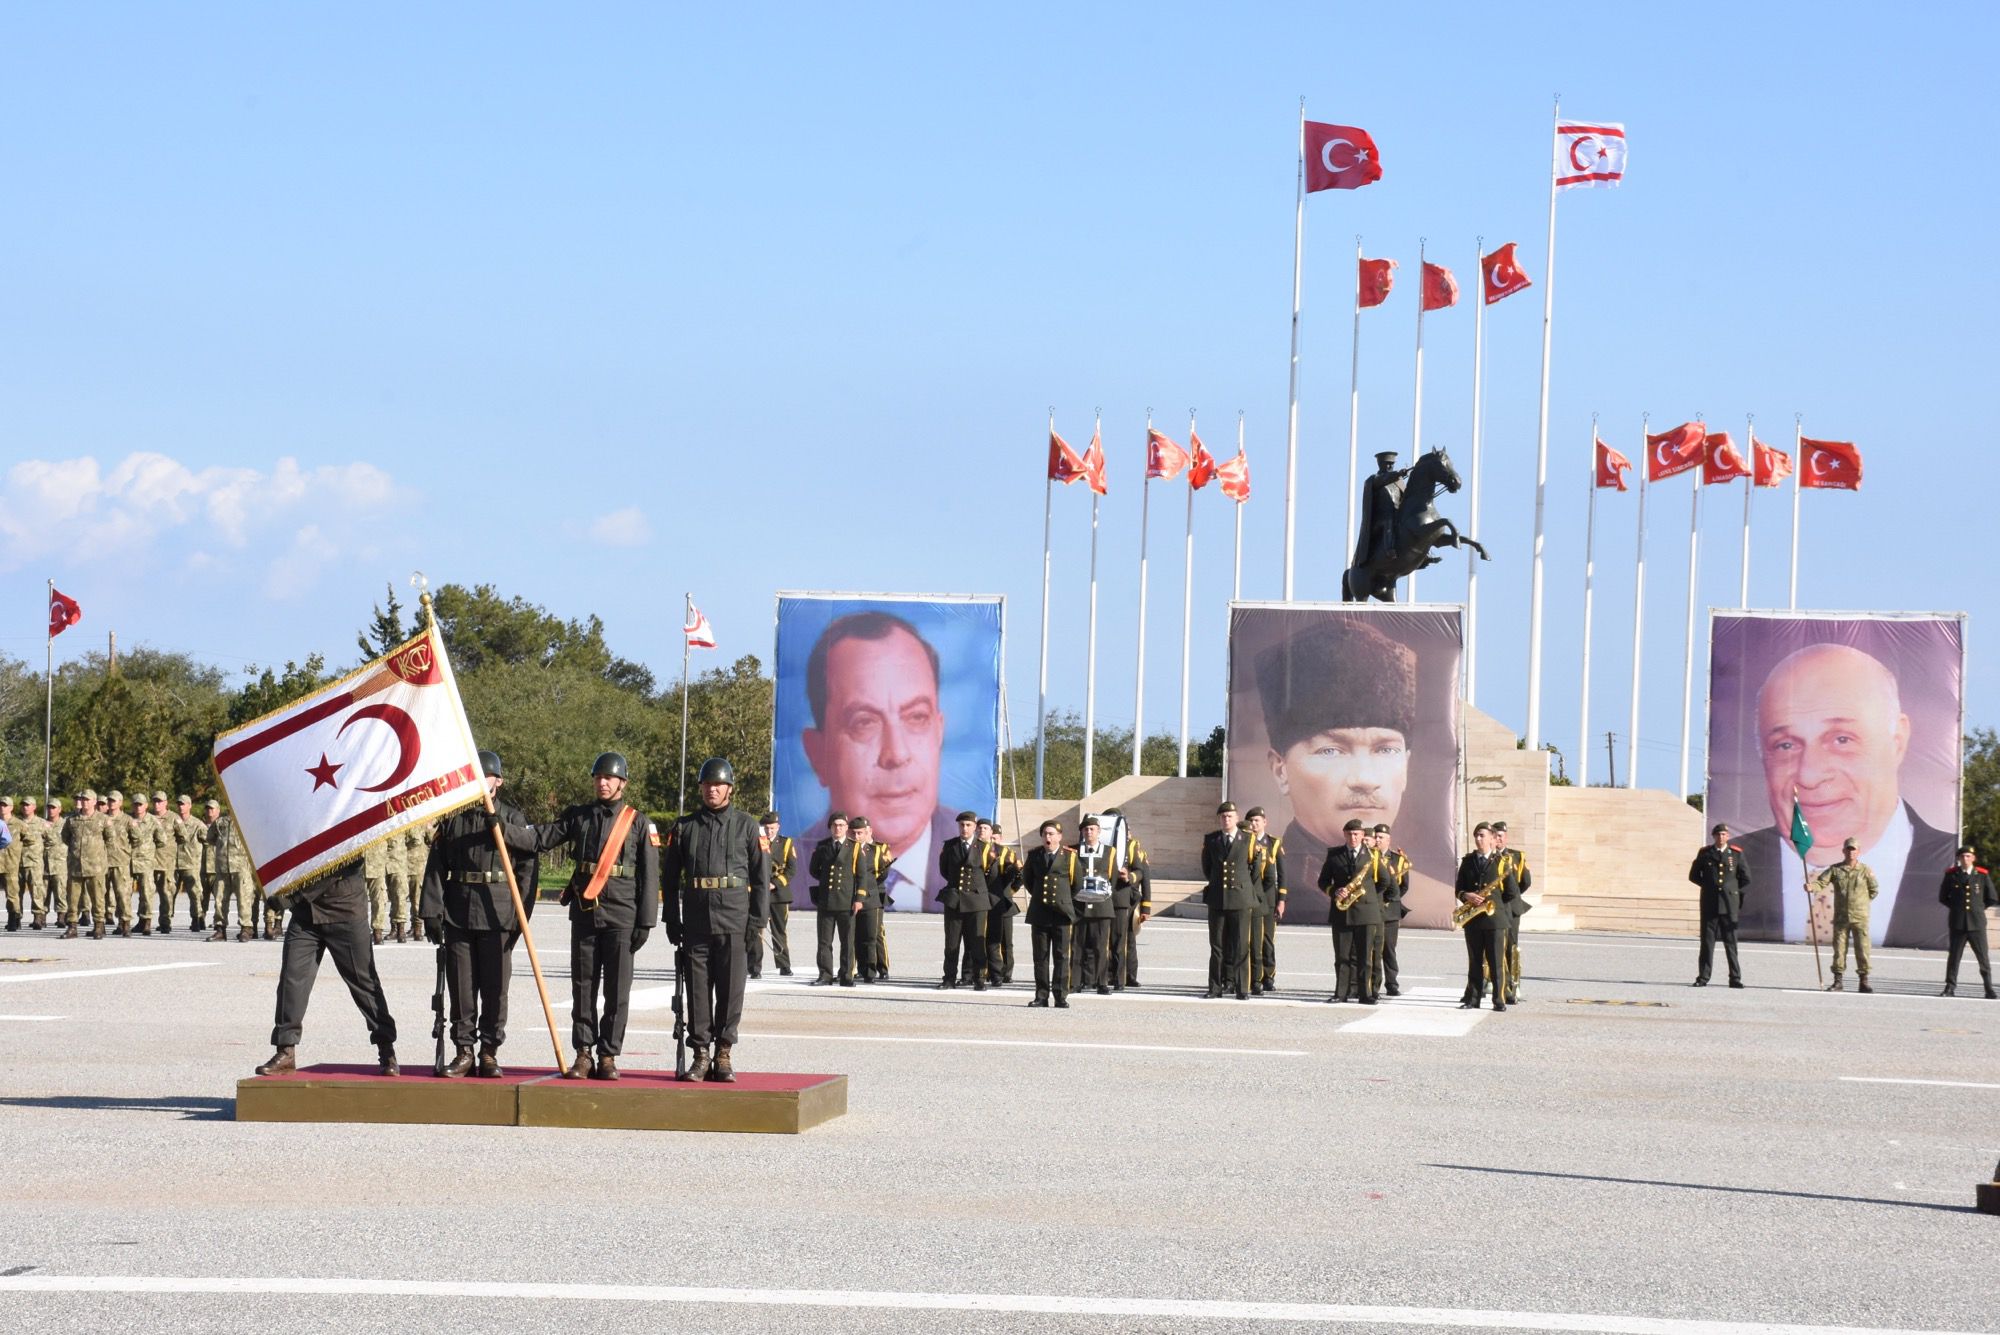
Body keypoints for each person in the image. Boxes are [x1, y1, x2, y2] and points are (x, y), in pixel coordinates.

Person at [1734, 643, 1958, 948]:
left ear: (1896, 741)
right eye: (1786, 745)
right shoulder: (1736, 863)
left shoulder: (1950, 863)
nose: (1810, 775)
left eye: (1842, 739)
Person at [1255, 618, 1416, 918]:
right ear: (1280, 770)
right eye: (1331, 751)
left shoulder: (1417, 882)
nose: (1365, 779)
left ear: (1406, 764)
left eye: (1385, 749)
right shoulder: (1279, 877)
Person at [799, 611, 961, 910]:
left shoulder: (968, 852)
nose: (896, 754)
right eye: (864, 723)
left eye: (916, 717)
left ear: (938, 733)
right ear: (817, 753)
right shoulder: (796, 874)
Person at [529, 751, 660, 1082]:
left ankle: (608, 1055)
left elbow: (649, 876)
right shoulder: (579, 816)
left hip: (623, 915)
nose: (603, 782)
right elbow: (541, 838)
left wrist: (646, 922)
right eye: (599, 777)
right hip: (586, 913)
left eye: (609, 778)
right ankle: (584, 1053)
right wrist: (503, 830)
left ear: (622, 783)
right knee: (583, 986)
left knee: (617, 991)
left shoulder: (638, 822)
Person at [418, 750, 540, 1077]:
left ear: (499, 781)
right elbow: (436, 866)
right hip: (458, 910)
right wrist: (431, 911)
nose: (480, 782)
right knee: (461, 987)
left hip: (498, 913)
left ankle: (489, 1051)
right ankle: (464, 1050)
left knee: (495, 988)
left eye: (486, 776)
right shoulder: (453, 818)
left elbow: (527, 870)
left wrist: (521, 916)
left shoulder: (513, 818)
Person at [663, 757, 771, 1084]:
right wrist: (672, 918)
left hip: (735, 918)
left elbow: (761, 879)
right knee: (697, 990)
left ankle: (723, 1053)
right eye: (707, 784)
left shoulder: (748, 826)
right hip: (696, 919)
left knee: (730, 990)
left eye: (718, 785)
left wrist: (757, 922)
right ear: (700, 788)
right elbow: (670, 879)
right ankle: (700, 1054)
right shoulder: (685, 827)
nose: (712, 789)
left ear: (729, 789)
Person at [253, 854, 399, 1077]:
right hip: (305, 916)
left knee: (364, 984)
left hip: (344, 910)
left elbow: (344, 862)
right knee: (291, 982)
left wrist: (293, 897)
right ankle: (285, 1051)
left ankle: (386, 1050)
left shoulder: (348, 829)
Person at [1455, 823, 1515, 1012]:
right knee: (1474, 961)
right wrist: (1467, 896)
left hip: (1494, 920)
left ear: (1492, 838)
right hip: (1473, 919)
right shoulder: (1468, 861)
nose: (1478, 839)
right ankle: (1473, 999)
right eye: (1476, 836)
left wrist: (1494, 905)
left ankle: (1499, 999)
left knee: (1496, 961)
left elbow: (1511, 892)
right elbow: (1459, 888)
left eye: (1482, 835)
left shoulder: (1501, 862)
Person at [1201, 802, 1255, 1000]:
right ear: (1219, 819)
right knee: (1217, 946)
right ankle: (1215, 987)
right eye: (1223, 816)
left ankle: (1242, 988)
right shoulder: (1211, 839)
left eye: (1230, 816)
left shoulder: (1247, 839)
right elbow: (1207, 868)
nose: (1226, 819)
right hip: (1218, 899)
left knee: (1241, 946)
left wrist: (1242, 886)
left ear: (1237, 818)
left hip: (1240, 898)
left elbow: (1254, 868)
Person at [1318, 818, 1376, 1003]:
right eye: (1349, 834)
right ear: (1344, 834)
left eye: (1356, 834)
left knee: (1364, 957)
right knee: (1342, 956)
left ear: (1362, 835)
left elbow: (1385, 882)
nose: (1353, 837)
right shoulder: (1334, 855)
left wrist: (1369, 899)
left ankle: (1365, 994)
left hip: (1366, 913)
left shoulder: (1373, 855)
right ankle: (1341, 993)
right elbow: (1323, 881)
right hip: (1341, 912)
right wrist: (1335, 891)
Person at [1023, 819, 1079, 1008]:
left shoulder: (1069, 856)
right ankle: (1041, 996)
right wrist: (1041, 897)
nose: (1048, 837)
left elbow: (1077, 884)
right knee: (1040, 957)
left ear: (1059, 836)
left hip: (1062, 913)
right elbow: (1028, 881)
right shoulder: (1034, 855)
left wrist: (1063, 900)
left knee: (1062, 956)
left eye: (1051, 834)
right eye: (1045, 834)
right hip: (1040, 912)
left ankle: (1061, 996)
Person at [1812, 837, 1879, 993]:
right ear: (1843, 851)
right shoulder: (1835, 870)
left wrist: (1861, 904)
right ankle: (1838, 981)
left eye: (1853, 849)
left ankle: (1863, 981)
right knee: (1839, 950)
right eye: (1848, 849)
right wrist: (1812, 887)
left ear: (1858, 852)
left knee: (1862, 949)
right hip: (1841, 917)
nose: (1851, 852)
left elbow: (1874, 890)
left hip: (1860, 918)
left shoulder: (1865, 870)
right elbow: (1821, 882)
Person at [1690, 822, 1751, 989]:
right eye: (1718, 834)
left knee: (1731, 944)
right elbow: (1693, 875)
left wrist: (1732, 891)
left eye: (1724, 834)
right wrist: (1709, 886)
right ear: (1713, 836)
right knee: (1707, 943)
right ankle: (1703, 977)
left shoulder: (1736, 854)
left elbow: (1746, 878)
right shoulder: (1705, 853)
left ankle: (1735, 978)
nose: (1721, 837)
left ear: (1728, 836)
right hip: (1710, 904)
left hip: (1729, 905)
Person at [808, 813, 865, 986]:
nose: (838, 828)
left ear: (846, 827)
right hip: (826, 900)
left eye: (841, 825)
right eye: (834, 825)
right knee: (824, 941)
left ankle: (846, 976)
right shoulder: (822, 846)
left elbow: (861, 876)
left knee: (847, 941)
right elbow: (813, 870)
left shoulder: (854, 847)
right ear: (830, 827)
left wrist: (859, 898)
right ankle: (825, 975)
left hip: (847, 901)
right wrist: (826, 881)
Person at [937, 811, 993, 989]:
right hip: (955, 900)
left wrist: (978, 889)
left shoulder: (984, 847)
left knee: (976, 942)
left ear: (975, 827)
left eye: (968, 825)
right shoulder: (950, 846)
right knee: (951, 943)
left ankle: (979, 979)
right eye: (961, 825)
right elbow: (944, 870)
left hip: (976, 900)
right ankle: (949, 978)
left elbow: (990, 874)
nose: (964, 828)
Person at [1101, 809, 1150, 990]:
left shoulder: (1132, 847)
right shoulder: (1101, 844)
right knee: (1105, 938)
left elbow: (1145, 878)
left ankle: (1129, 975)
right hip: (1105, 896)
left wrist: (1146, 907)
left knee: (1127, 938)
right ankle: (1107, 974)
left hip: (1128, 898)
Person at [1938, 846, 1996, 998]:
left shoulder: (1982, 875)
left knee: (1983, 957)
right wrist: (1956, 908)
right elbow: (1943, 897)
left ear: (1973, 858)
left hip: (1976, 923)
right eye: (1963, 856)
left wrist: (1978, 909)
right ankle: (1950, 987)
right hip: (1958, 922)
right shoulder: (1951, 875)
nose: (1965, 859)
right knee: (1954, 957)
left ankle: (1989, 988)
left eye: (1968, 856)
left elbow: (1992, 898)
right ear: (1958, 858)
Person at [1072, 815, 1118, 995]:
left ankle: (1102, 982)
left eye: (1092, 829)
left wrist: (1103, 894)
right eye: (1086, 829)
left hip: (1101, 906)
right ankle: (1076, 981)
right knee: (1077, 945)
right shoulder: (1074, 851)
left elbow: (1113, 877)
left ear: (1099, 832)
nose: (1089, 832)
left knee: (1100, 946)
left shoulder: (1109, 851)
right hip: (1079, 905)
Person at [748, 811, 796, 978]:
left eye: (772, 828)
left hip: (779, 894)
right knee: (756, 931)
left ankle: (784, 965)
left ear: (778, 827)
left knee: (779, 931)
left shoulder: (786, 843)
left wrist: (774, 883)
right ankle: (754, 968)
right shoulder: (756, 842)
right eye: (767, 828)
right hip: (758, 893)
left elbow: (791, 869)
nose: (769, 831)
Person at [62, 789, 113, 939]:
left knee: (98, 898)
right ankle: (72, 927)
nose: (84, 802)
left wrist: (97, 853)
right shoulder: (72, 820)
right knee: (72, 899)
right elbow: (65, 837)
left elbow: (110, 839)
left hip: (95, 866)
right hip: (76, 866)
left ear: (94, 802)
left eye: (87, 799)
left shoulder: (103, 819)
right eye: (82, 799)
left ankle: (99, 926)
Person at [1245, 808, 1286, 995]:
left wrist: (1281, 900)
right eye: (1251, 821)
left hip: (1269, 898)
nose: (1254, 824)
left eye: (1257, 820)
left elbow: (1282, 874)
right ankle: (1253, 976)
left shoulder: (1273, 843)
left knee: (1267, 939)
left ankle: (1268, 976)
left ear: (1264, 822)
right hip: (1249, 897)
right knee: (1251, 939)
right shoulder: (1245, 841)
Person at [204, 800, 255, 942]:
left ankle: (246, 929)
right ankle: (220, 930)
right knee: (220, 899)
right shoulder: (220, 822)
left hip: (241, 867)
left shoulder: (246, 821)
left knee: (244, 899)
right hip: (222, 868)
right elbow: (210, 838)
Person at [1492, 821, 1531, 1004]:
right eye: (1495, 836)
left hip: (1511, 908)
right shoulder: (1489, 857)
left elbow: (1525, 881)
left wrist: (1512, 896)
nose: (1498, 839)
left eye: (1501, 836)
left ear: (1505, 837)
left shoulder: (1517, 857)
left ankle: (1514, 985)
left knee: (1511, 947)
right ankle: (1491, 982)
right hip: (1493, 908)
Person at [980, 818, 1021, 986]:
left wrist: (1010, 892)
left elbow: (1019, 876)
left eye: (995, 837)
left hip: (1004, 901)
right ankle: (986, 971)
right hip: (986, 899)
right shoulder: (980, 851)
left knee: (1005, 940)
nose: (993, 840)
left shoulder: (1007, 853)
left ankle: (1006, 972)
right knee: (984, 938)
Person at [1352, 451, 1407, 571]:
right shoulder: (1374, 480)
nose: (1390, 466)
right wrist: (1398, 474)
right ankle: (1389, 550)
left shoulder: (1399, 482)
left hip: (1397, 515)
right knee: (1388, 521)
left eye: (1392, 464)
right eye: (1387, 463)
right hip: (1380, 519)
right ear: (1380, 464)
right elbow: (1385, 479)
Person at [854, 817, 892, 981]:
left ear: (869, 831)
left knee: (876, 932)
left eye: (863, 831)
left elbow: (883, 873)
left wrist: (869, 883)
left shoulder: (881, 848)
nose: (858, 835)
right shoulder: (853, 847)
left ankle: (882, 967)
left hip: (876, 891)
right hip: (858, 892)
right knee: (858, 932)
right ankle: (860, 967)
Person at [166, 795, 205, 933]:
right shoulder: (172, 821)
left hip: (190, 864)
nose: (180, 807)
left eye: (183, 804)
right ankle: (166, 921)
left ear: (190, 806)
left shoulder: (198, 824)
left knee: (195, 893)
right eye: (179, 804)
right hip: (173, 864)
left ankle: (196, 919)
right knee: (169, 892)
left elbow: (208, 841)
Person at [127, 788, 160, 935]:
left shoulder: (153, 821)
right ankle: (124, 922)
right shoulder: (127, 820)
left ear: (146, 805)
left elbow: (162, 840)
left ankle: (146, 921)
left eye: (140, 804)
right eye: (135, 804)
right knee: (124, 893)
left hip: (145, 862)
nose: (138, 807)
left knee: (146, 892)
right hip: (128, 861)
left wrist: (148, 850)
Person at [102, 790, 134, 937]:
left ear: (120, 803)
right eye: (109, 800)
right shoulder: (101, 818)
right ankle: (100, 924)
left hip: (120, 862)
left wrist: (125, 851)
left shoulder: (127, 820)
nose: (111, 803)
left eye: (114, 801)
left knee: (122, 894)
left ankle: (125, 923)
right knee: (101, 895)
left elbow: (137, 839)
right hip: (102, 862)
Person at [15, 797, 51, 930]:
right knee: (16, 892)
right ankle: (16, 918)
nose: (25, 807)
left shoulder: (42, 823)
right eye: (23, 805)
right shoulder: (16, 823)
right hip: (17, 862)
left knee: (36, 890)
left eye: (28, 805)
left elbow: (51, 840)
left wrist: (39, 851)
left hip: (34, 862)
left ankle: (38, 917)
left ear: (34, 807)